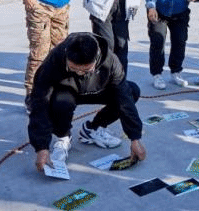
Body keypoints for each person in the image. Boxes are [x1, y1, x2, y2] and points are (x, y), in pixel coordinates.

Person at [29, 32, 146, 172]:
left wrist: (135, 138)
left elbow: (124, 98)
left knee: (132, 91)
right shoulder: (53, 61)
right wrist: (41, 147)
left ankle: (93, 129)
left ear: (96, 59)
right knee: (60, 103)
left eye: (86, 70)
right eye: (73, 69)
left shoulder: (111, 61)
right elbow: (39, 103)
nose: (79, 73)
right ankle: (63, 137)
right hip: (67, 92)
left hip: (97, 90)